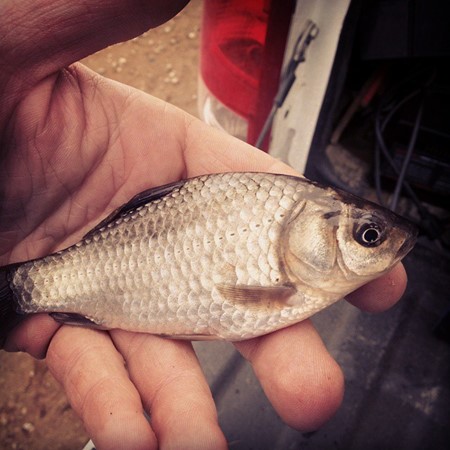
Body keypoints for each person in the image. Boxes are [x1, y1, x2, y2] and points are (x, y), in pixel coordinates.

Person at [0, 1, 409, 449]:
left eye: (368, 236)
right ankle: (17, 290)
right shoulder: (288, 279)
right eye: (367, 235)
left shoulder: (294, 264)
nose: (378, 244)